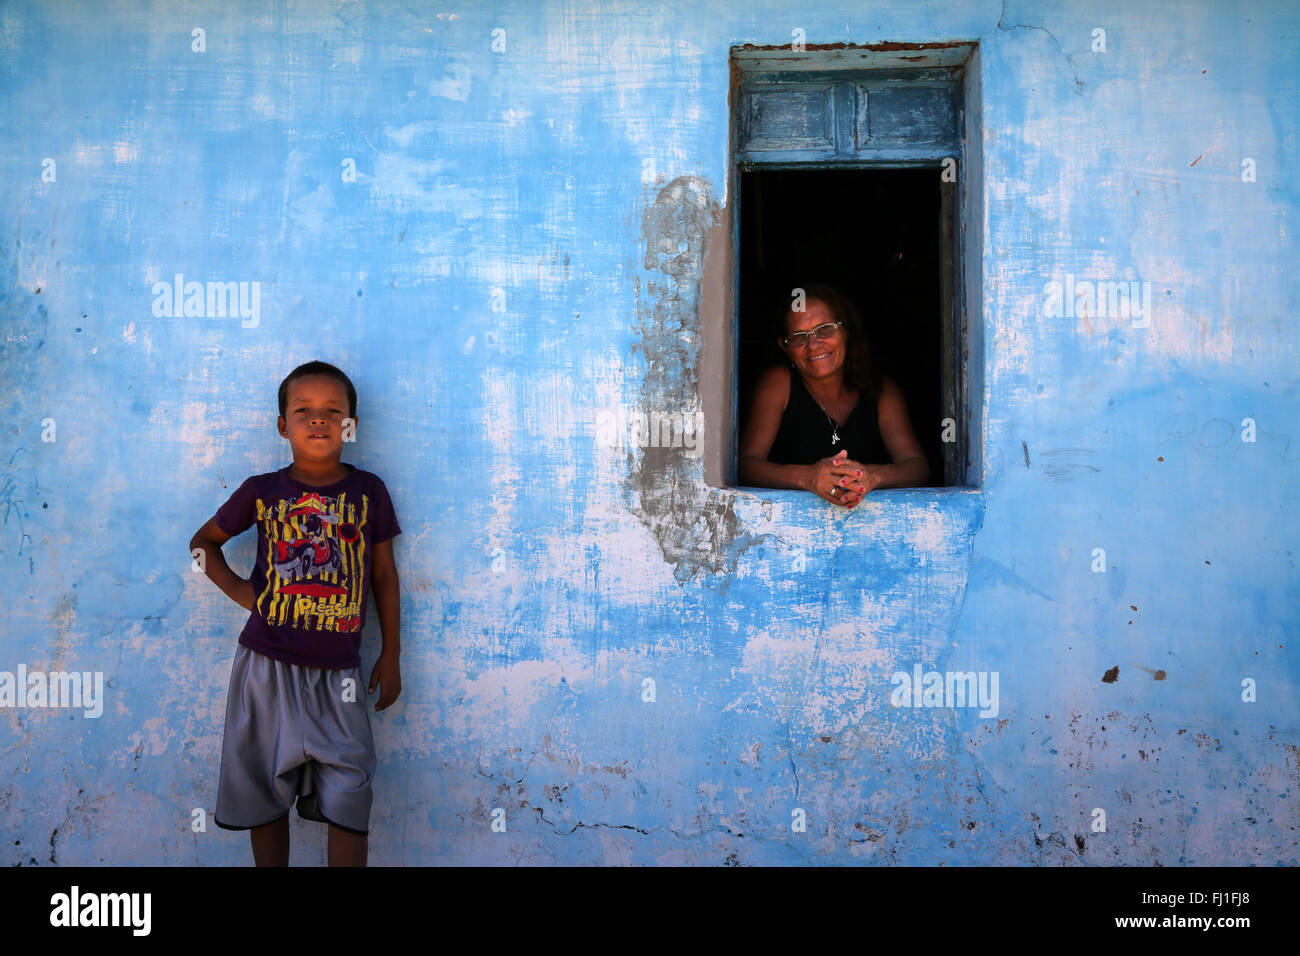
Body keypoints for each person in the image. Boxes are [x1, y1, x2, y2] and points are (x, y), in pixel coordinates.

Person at [188, 361, 402, 866]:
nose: (318, 420)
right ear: (283, 425)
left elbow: (384, 577)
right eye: (303, 411)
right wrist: (243, 592)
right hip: (265, 669)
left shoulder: (368, 492)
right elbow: (202, 545)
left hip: (340, 678)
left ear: (350, 425)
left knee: (350, 790)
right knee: (263, 787)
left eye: (333, 411)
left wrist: (391, 654)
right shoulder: (261, 491)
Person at [739, 283, 930, 507]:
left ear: (846, 331)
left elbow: (917, 467)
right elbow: (747, 466)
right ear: (785, 347)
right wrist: (808, 477)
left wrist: (871, 476)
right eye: (799, 337)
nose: (813, 344)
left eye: (825, 329)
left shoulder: (881, 390)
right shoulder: (778, 383)